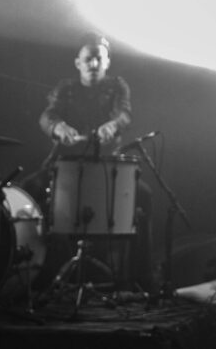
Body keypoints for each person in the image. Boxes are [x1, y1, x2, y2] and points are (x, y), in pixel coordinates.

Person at [38, 34, 153, 291]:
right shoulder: (66, 88)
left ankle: (142, 279)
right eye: (88, 59)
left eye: (98, 59)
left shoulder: (118, 87)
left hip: (106, 166)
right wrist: (58, 127)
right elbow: (48, 115)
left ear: (107, 62)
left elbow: (124, 114)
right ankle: (38, 274)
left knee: (144, 196)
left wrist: (113, 125)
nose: (93, 64)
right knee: (29, 191)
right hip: (66, 166)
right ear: (78, 63)